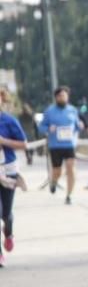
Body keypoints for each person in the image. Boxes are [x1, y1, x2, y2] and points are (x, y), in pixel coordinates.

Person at [41, 86, 83, 204]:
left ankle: (69, 195)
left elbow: (76, 125)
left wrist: (79, 126)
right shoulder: (49, 111)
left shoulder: (73, 110)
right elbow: (41, 126)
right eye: (60, 96)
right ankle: (53, 181)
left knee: (71, 168)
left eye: (64, 96)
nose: (62, 98)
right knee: (57, 171)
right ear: (56, 98)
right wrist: (49, 128)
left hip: (69, 144)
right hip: (55, 145)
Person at [0, 88, 27, 267]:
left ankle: (8, 233)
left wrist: (3, 141)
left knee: (5, 214)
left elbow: (23, 144)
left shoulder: (9, 121)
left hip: (7, 170)